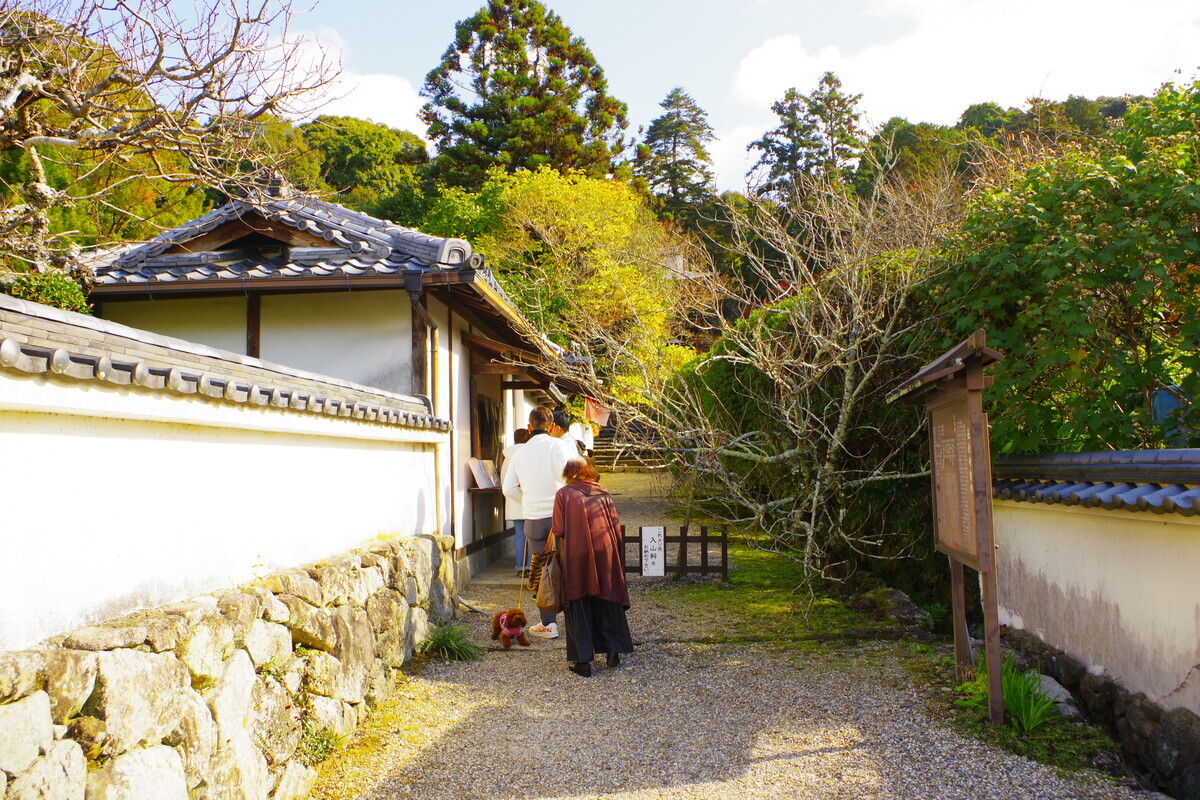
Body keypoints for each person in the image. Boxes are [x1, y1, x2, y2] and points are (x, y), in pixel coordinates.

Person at [551, 458, 633, 677]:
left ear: (568, 474)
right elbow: (615, 526)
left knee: (578, 601)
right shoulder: (603, 493)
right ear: (588, 472)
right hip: (606, 551)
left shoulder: (564, 494)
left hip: (577, 554)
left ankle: (583, 662)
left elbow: (558, 529)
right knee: (607, 597)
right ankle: (613, 651)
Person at [501, 406, 576, 638]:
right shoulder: (560, 446)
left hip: (533, 518)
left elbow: (508, 489)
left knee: (543, 572)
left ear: (529, 427)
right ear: (552, 426)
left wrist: (529, 497)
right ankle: (575, 621)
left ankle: (549, 624)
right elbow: (572, 479)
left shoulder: (519, 453)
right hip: (561, 517)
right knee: (569, 566)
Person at [499, 427, 530, 574]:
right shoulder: (530, 453)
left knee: (519, 534)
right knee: (531, 535)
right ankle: (530, 566)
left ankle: (520, 567)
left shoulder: (508, 456)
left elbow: (504, 480)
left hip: (514, 500)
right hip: (530, 500)